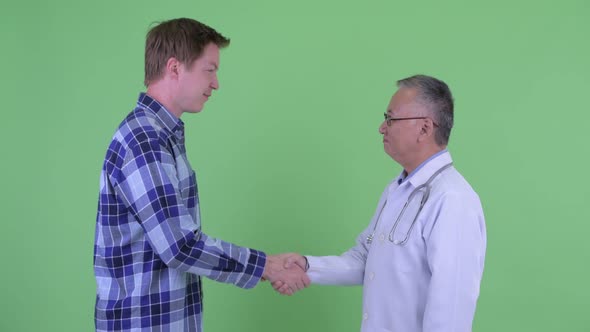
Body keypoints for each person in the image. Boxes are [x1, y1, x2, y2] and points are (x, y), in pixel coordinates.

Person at [94, 18, 308, 332]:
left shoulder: (162, 137)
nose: (216, 83)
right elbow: (179, 246)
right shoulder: (143, 140)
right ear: (175, 68)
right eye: (209, 69)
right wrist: (267, 266)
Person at [275, 75, 487, 332]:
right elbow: (366, 260)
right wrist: (307, 265)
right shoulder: (397, 190)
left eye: (391, 118)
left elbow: (451, 312)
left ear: (424, 128)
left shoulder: (452, 200)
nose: (381, 127)